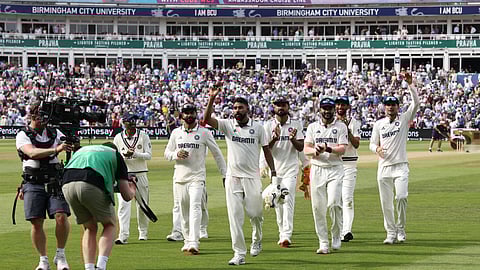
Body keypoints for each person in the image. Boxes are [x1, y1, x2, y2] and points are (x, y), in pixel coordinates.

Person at [204, 89, 277, 266]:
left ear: (248, 110)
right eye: (235, 108)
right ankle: (239, 253)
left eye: (240, 107)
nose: (237, 110)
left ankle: (257, 239)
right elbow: (206, 120)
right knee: (235, 217)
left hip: (252, 177)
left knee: (256, 214)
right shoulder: (228, 125)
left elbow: (266, 150)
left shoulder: (258, 128)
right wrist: (212, 98)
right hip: (233, 177)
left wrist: (274, 172)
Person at [16, 102, 73, 270]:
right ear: (33, 116)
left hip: (54, 180)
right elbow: (31, 152)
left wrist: (71, 144)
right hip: (33, 181)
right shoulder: (23, 134)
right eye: (42, 116)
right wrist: (57, 149)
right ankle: (43, 259)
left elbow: (67, 144)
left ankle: (60, 255)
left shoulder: (55, 132)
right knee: (36, 221)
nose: (45, 120)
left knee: (61, 216)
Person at [62, 143, 136, 270]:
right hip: (91, 183)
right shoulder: (116, 156)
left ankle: (89, 267)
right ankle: (101, 266)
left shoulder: (84, 150)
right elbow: (127, 196)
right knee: (110, 224)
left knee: (89, 227)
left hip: (67, 184)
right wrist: (132, 186)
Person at [164, 103, 227, 254]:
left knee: (195, 207)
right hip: (179, 177)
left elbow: (217, 153)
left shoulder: (204, 133)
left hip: (197, 178)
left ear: (196, 114)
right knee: (184, 212)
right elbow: (167, 152)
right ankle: (187, 240)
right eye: (186, 113)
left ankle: (194, 241)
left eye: (192, 113)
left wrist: (225, 174)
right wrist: (175, 154)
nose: (189, 116)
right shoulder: (176, 133)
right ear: (181, 116)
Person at [369, 74, 419, 244]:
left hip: (401, 166)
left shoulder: (404, 119)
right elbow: (371, 143)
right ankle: (390, 233)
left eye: (393, 105)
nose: (390, 107)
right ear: (384, 107)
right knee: (386, 203)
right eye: (388, 105)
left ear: (398, 107)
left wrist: (410, 85)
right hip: (384, 167)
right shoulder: (379, 124)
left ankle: (401, 229)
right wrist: (377, 148)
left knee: (401, 197)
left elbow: (416, 104)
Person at [304, 97, 348, 254]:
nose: (327, 111)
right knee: (317, 208)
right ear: (320, 110)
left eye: (330, 108)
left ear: (333, 110)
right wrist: (315, 151)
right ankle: (323, 241)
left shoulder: (341, 126)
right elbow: (306, 149)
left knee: (334, 203)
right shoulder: (312, 127)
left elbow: (343, 149)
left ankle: (336, 235)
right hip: (317, 169)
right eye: (324, 108)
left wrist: (328, 148)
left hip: (335, 168)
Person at [263, 96, 304, 248]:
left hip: (291, 170)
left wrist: (292, 139)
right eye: (277, 105)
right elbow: (265, 148)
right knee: (277, 201)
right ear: (273, 107)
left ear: (288, 107)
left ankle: (286, 235)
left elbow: (300, 147)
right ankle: (282, 232)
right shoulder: (267, 126)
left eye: (283, 105)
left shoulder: (296, 124)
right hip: (275, 171)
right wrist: (275, 138)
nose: (281, 107)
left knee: (287, 199)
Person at [113, 113, 152, 244]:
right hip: (124, 175)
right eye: (129, 122)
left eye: (133, 122)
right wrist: (124, 156)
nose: (131, 125)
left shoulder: (143, 136)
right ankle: (123, 235)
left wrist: (134, 154)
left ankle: (143, 232)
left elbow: (148, 155)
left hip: (140, 174)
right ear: (125, 123)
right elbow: (115, 157)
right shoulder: (118, 137)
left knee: (142, 204)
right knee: (123, 206)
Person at [335, 96, 361, 242]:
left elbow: (356, 144)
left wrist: (347, 129)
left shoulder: (354, 122)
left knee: (347, 198)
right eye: (338, 104)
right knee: (335, 200)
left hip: (350, 164)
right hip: (335, 164)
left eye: (343, 105)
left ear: (348, 107)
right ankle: (338, 230)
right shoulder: (331, 123)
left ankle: (346, 231)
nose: (340, 107)